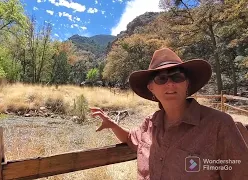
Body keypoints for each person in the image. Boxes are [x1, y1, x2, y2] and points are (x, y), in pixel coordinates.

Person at [90, 48, 248, 180]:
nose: (170, 83)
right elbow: (130, 138)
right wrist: (111, 124)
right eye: (161, 78)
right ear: (151, 87)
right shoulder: (150, 124)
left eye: (177, 77)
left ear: (187, 83)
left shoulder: (219, 125)